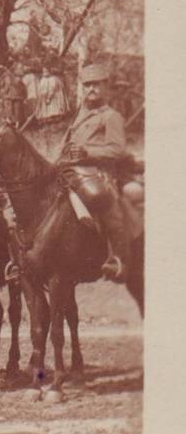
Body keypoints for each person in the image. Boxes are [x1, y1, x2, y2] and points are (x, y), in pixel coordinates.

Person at [56, 63, 132, 280]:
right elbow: (67, 143)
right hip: (71, 170)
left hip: (98, 173)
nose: (91, 89)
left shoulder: (110, 116)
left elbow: (118, 150)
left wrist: (87, 152)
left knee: (99, 196)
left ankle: (116, 258)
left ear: (105, 86)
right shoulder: (80, 115)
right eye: (87, 85)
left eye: (95, 85)